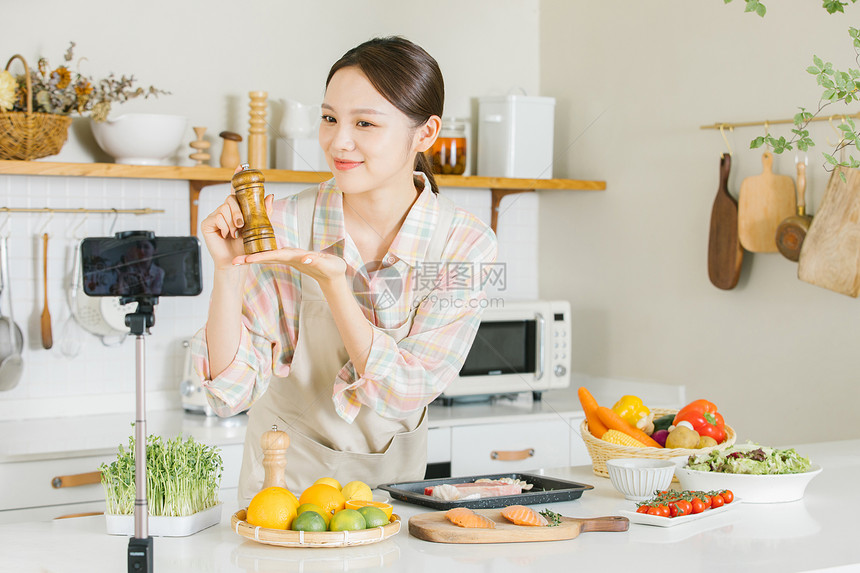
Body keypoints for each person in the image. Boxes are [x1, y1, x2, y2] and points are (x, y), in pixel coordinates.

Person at [191, 36, 498, 504]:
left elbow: (404, 392)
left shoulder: (463, 245)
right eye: (330, 118)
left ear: (426, 134)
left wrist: (335, 284)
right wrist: (228, 270)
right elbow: (229, 393)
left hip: (394, 499)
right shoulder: (284, 224)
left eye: (365, 123)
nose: (339, 141)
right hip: (280, 494)